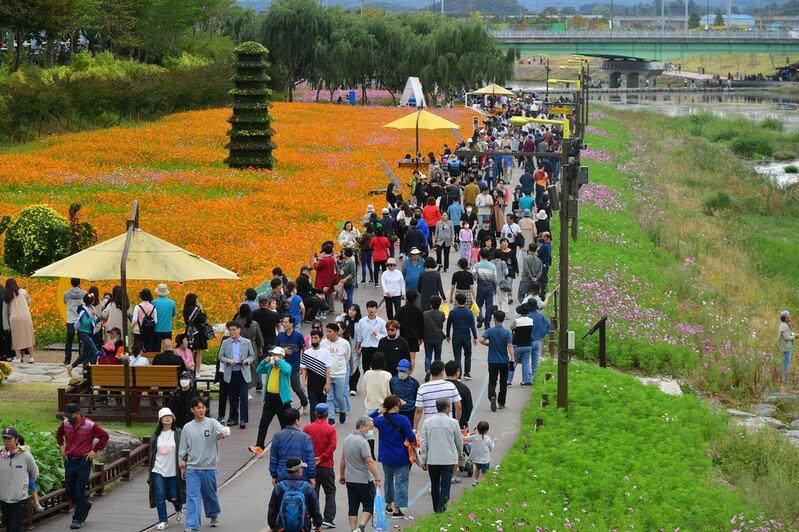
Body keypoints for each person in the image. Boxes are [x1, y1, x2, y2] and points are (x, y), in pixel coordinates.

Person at [179, 396, 229, 532]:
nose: (201, 410)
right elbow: (183, 448)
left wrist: (224, 433)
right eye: (198, 408)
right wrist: (182, 462)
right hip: (193, 468)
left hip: (209, 467)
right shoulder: (187, 428)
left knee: (209, 494)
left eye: (203, 407)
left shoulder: (212, 423)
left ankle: (213, 514)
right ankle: (193, 525)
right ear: (192, 409)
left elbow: (225, 430)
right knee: (192, 496)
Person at [56, 403, 110, 530]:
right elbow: (59, 434)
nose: (69, 418)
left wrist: (94, 450)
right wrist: (62, 446)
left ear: (79, 413)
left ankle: (77, 518)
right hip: (70, 460)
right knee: (69, 489)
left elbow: (104, 436)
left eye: (71, 415)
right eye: (67, 415)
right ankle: (84, 505)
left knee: (79, 489)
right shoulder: (65, 423)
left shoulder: (90, 425)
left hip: (83, 461)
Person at [369, 395, 416, 519]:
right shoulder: (403, 419)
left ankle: (388, 505)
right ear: (395, 406)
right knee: (401, 481)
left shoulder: (380, 421)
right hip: (401, 456)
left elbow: (366, 420)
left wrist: (377, 412)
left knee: (388, 480)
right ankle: (397, 509)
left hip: (386, 456)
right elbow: (411, 437)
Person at [419, 398, 463, 514]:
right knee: (445, 485)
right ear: (446, 408)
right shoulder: (453, 422)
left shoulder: (427, 422)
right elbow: (459, 440)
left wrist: (423, 459)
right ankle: (441, 509)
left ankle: (436, 508)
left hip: (432, 459)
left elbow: (423, 442)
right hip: (448, 459)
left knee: (434, 484)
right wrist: (460, 453)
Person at [339, 416, 382, 532]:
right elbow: (369, 462)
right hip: (364, 480)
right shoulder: (362, 442)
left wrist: (342, 475)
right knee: (368, 505)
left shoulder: (347, 439)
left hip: (350, 479)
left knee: (353, 506)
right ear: (361, 427)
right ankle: (361, 527)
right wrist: (377, 479)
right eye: (370, 427)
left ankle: (353, 529)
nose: (371, 431)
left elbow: (343, 459)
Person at [249, 347, 293, 456]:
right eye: (273, 354)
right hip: (269, 399)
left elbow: (287, 370)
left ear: (282, 356)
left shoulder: (285, 366)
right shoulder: (270, 366)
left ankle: (287, 446)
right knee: (263, 423)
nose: (274, 356)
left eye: (276, 354)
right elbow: (259, 370)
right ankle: (259, 446)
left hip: (281, 400)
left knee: (285, 425)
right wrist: (265, 361)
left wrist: (279, 361)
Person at [148, 408, 185, 531]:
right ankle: (163, 520)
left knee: (174, 495)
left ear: (173, 418)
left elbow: (184, 450)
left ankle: (178, 508)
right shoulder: (156, 435)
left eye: (169, 416)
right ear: (160, 420)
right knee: (160, 495)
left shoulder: (179, 433)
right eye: (164, 416)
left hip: (173, 470)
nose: (167, 418)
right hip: (158, 470)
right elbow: (152, 454)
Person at [302, 404, 337, 528]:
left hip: (311, 466)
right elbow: (332, 446)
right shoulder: (330, 429)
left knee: (313, 493)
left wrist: (311, 459)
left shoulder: (307, 428)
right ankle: (328, 518)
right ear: (327, 414)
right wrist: (321, 457)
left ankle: (312, 518)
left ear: (315, 414)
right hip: (326, 465)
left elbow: (303, 446)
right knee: (330, 492)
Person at [267, 458, 324, 532]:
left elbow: (272, 508)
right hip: (303, 526)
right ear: (298, 471)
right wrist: (318, 524)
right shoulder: (307, 487)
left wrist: (272, 525)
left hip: (282, 527)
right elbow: (314, 508)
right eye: (302, 468)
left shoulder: (279, 487)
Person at [0, 426, 39, 532]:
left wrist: (23, 485)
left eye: (10, 438)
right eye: (5, 439)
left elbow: (35, 474)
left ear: (16, 439)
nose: (7, 441)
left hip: (19, 499)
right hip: (4, 499)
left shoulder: (26, 456)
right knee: (8, 526)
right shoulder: (1, 454)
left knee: (15, 528)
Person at [218, 321, 256, 429]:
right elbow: (220, 356)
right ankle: (233, 418)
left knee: (243, 397)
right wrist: (228, 361)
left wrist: (246, 361)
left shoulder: (246, 342)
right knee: (232, 397)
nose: (232, 332)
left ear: (239, 330)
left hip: (243, 373)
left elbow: (252, 356)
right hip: (231, 373)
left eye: (234, 329)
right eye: (230, 330)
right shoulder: (226, 342)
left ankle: (243, 419)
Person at [270, 408, 317, 485]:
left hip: (283, 476)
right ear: (296, 421)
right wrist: (312, 477)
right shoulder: (306, 437)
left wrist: (274, 476)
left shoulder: (277, 436)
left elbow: (273, 458)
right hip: (302, 476)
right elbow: (310, 459)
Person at [479, 311, 514, 412]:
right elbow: (510, 346)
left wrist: (487, 344)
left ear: (494, 319)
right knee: (503, 382)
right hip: (504, 361)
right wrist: (512, 359)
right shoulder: (507, 332)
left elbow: (481, 340)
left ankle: (492, 396)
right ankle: (501, 403)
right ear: (503, 320)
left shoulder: (490, 331)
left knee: (492, 381)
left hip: (492, 361)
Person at [413, 360, 462, 429]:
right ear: (442, 372)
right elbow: (459, 407)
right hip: (447, 425)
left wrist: (415, 428)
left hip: (430, 425)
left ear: (431, 372)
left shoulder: (422, 388)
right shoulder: (451, 386)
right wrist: (456, 423)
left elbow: (418, 410)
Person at [277, 316, 310, 414]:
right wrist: (283, 350)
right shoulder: (280, 336)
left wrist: (303, 365)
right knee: (282, 387)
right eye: (283, 322)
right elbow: (275, 349)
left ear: (292, 324)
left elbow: (304, 350)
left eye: (286, 322)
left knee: (296, 387)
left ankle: (304, 402)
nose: (284, 324)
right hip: (282, 366)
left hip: (294, 367)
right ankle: (285, 406)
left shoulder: (298, 336)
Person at [321, 323, 351, 425]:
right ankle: (331, 417)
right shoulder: (323, 343)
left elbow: (347, 357)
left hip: (340, 374)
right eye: (327, 331)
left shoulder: (344, 343)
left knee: (339, 397)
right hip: (328, 375)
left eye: (330, 331)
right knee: (329, 398)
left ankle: (342, 410)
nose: (328, 334)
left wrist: (341, 367)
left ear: (336, 332)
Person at [65, 293, 100, 376]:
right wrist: (92, 316)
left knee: (86, 354)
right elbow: (85, 323)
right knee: (95, 351)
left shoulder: (91, 308)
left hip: (90, 333)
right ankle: (94, 370)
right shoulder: (83, 311)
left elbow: (93, 321)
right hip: (84, 333)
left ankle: (71, 366)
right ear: (90, 302)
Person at [446, 293, 478, 379]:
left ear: (456, 301)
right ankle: (467, 373)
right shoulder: (469, 312)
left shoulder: (452, 312)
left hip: (456, 335)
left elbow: (448, 324)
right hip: (466, 335)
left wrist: (448, 335)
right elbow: (472, 326)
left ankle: (458, 374)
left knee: (457, 355)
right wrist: (475, 337)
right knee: (468, 354)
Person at [302, 330, 332, 422]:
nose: (314, 340)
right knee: (313, 406)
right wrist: (303, 381)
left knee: (322, 406)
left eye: (316, 338)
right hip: (311, 384)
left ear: (320, 339)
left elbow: (327, 369)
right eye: (312, 338)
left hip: (322, 384)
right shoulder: (307, 352)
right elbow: (304, 369)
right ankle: (313, 424)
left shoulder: (325, 352)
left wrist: (327, 383)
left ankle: (322, 424)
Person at [4, 279, 34, 363]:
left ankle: (18, 357)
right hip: (26, 316)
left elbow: (6, 309)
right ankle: (31, 357)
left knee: (16, 338)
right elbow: (29, 302)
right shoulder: (23, 291)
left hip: (14, 318)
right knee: (28, 337)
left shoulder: (8, 295)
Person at [354, 301, 386, 378]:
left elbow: (385, 336)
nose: (371, 310)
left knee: (377, 369)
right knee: (366, 369)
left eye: (373, 308)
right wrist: (358, 348)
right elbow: (359, 336)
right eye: (369, 307)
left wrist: (377, 335)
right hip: (366, 348)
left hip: (377, 348)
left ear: (376, 309)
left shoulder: (381, 322)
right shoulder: (362, 321)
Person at [395, 291, 423, 372]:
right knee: (412, 357)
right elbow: (421, 325)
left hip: (403, 336)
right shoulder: (418, 311)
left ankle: (402, 372)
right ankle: (410, 373)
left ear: (406, 298)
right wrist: (421, 337)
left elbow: (395, 320)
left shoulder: (402, 310)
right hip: (414, 337)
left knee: (403, 357)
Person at [508, 304, 534, 387]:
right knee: (526, 363)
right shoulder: (531, 320)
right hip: (528, 344)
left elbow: (511, 327)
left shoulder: (517, 321)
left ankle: (509, 380)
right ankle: (525, 380)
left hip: (517, 344)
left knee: (513, 361)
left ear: (520, 313)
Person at [183, 293, 209, 373]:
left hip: (189, 331)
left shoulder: (185, 309)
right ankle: (197, 371)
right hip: (197, 331)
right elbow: (203, 318)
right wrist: (201, 309)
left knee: (190, 351)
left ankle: (190, 369)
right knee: (198, 352)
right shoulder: (196, 310)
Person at [464, 421, 496, 486]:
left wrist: (467, 435)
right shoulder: (488, 439)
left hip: (477, 459)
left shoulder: (474, 437)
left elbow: (466, 439)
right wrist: (494, 442)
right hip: (485, 460)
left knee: (477, 469)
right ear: (487, 430)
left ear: (477, 429)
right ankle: (483, 484)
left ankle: (475, 481)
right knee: (484, 472)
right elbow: (491, 448)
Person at [472, 249, 498, 329]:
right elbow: (495, 279)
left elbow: (473, 276)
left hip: (481, 286)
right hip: (490, 287)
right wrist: (495, 288)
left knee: (479, 304)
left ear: (480, 255)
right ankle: (487, 324)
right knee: (489, 306)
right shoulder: (492, 266)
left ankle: (480, 317)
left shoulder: (476, 266)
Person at [63, 278, 86, 366]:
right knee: (81, 340)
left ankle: (67, 359)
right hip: (80, 318)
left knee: (69, 340)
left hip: (71, 319)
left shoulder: (66, 293)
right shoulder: (84, 293)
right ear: (79, 283)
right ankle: (81, 357)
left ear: (71, 283)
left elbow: (65, 302)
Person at [389, 359, 419, 426]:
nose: (401, 373)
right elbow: (391, 393)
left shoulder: (414, 383)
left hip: (410, 411)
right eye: (400, 371)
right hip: (397, 411)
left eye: (403, 371)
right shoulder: (393, 381)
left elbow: (416, 398)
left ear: (409, 371)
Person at [445, 361, 472, 429]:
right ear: (457, 372)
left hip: (443, 422)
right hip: (460, 422)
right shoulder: (464, 388)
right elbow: (469, 406)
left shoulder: (442, 386)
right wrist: (466, 419)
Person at [422, 296, 446, 372]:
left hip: (427, 337)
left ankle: (428, 369)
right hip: (438, 337)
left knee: (428, 356)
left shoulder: (425, 314)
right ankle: (437, 371)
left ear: (430, 304)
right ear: (439, 304)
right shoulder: (442, 314)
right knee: (438, 356)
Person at [132, 288, 159, 353]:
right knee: (148, 350)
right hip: (149, 332)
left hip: (139, 331)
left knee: (138, 349)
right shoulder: (153, 307)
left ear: (141, 296)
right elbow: (155, 321)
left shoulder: (137, 307)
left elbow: (135, 320)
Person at [779, 310, 796, 381]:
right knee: (787, 363)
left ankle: (784, 377)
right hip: (786, 348)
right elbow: (786, 337)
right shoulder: (784, 326)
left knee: (786, 362)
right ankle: (785, 379)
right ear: (786, 318)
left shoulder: (784, 325)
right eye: (789, 316)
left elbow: (789, 334)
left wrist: (794, 334)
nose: (790, 317)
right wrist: (795, 337)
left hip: (785, 347)